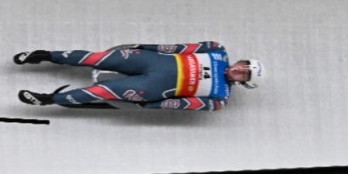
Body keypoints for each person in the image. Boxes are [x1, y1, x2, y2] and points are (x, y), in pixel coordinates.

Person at [14, 41, 264, 110]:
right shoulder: (216, 50)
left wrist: (151, 105)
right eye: (244, 66)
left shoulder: (219, 99)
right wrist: (145, 47)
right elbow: (178, 48)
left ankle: (49, 100)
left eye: (245, 75)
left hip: (153, 87)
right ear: (240, 61)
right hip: (152, 60)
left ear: (244, 83)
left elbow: (182, 104)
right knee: (96, 58)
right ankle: (44, 55)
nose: (240, 70)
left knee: (101, 92)